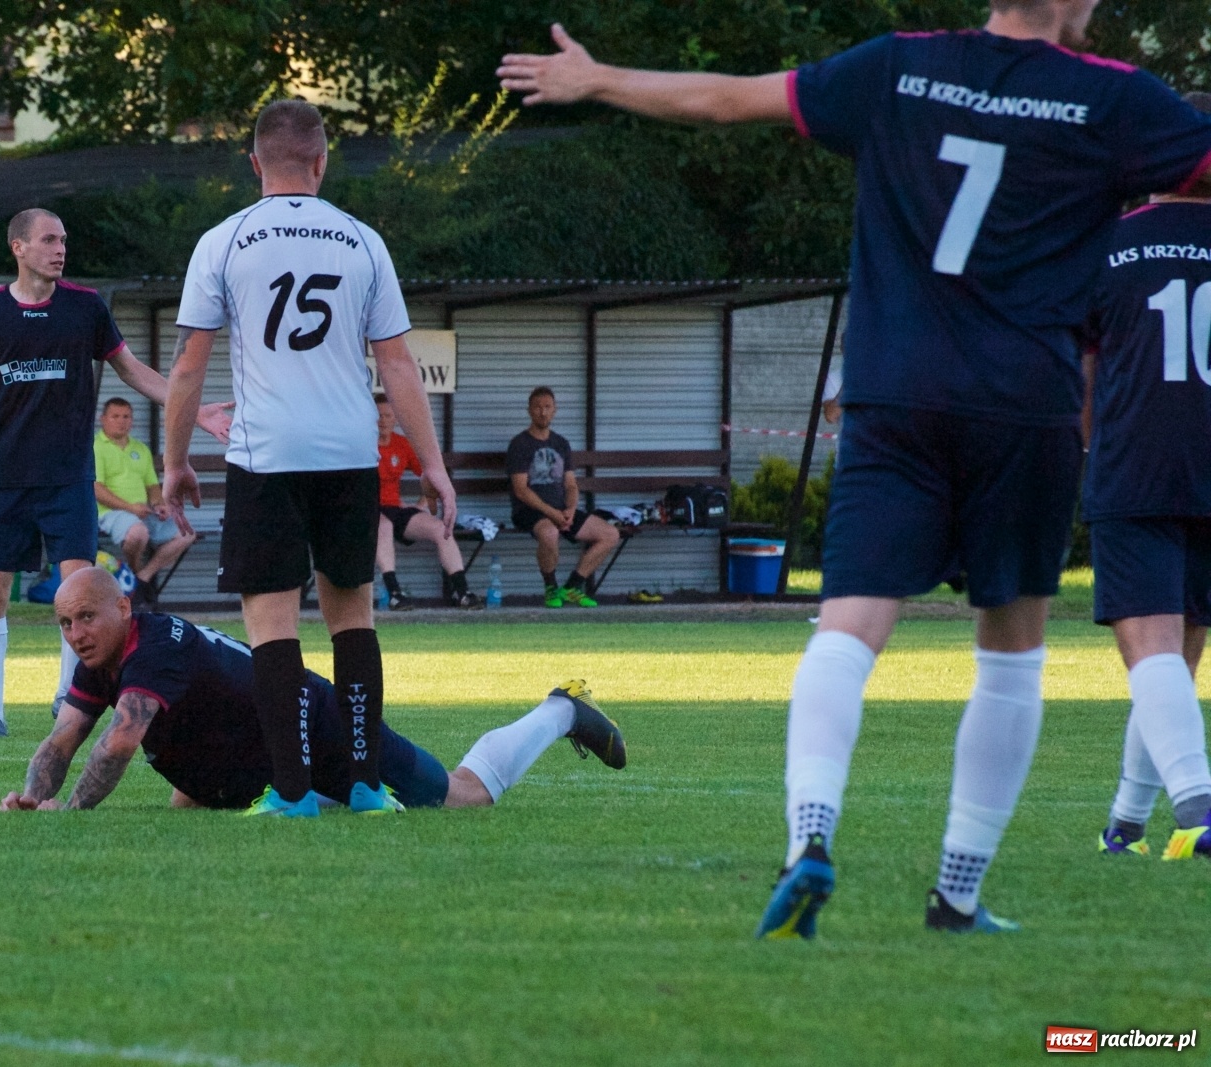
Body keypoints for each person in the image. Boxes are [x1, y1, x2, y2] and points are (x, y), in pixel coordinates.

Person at [498, 1, 1211, 935]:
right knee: (1010, 655)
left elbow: (726, 100)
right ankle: (957, 892)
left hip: (894, 394)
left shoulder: (895, 68)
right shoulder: (1114, 98)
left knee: (847, 629)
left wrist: (598, 80)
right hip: (1023, 404)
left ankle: (810, 835)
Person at [163, 99, 456, 816]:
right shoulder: (362, 242)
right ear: (322, 162)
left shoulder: (225, 241)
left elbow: (187, 370)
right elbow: (398, 366)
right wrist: (433, 464)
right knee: (354, 616)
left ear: (255, 162)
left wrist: (174, 461)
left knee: (271, 622)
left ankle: (292, 792)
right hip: (350, 453)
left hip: (267, 454)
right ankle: (363, 784)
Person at [0, 208, 232, 738]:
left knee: (78, 592)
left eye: (64, 240)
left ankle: (67, 696)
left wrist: (192, 409)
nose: (60, 249)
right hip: (8, 480)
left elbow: (133, 370)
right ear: (18, 247)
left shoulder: (85, 308)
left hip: (68, 480)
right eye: (49, 240)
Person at [0, 568, 625, 814]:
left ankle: (561, 710)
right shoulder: (100, 653)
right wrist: (30, 797)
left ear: (124, 608)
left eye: (85, 618)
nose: (75, 634)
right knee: (190, 809)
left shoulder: (154, 648)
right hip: (245, 756)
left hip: (317, 723)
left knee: (463, 797)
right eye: (64, 623)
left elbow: (116, 745)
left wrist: (70, 815)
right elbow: (64, 738)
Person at [1087, 92, 1211, 865]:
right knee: (1175, 655)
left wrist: (1087, 455)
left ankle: (1199, 809)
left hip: (1137, 463)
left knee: (1154, 650)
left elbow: (1083, 373)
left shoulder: (1109, 243)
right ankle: (1127, 825)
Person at [505, 386, 620, 609]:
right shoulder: (519, 444)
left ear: (555, 410)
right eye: (537, 407)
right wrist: (553, 514)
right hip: (529, 511)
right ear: (529, 410)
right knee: (549, 533)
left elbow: (570, 484)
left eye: (547, 407)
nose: (543, 412)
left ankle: (573, 586)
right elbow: (521, 490)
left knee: (610, 534)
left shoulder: (561, 443)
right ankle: (550, 587)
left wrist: (569, 509)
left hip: (560, 510)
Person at [374, 394, 480, 609]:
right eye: (378, 415)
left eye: (387, 415)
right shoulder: (362, 444)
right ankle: (395, 594)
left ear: (395, 419)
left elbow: (431, 476)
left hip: (396, 508)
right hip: (367, 510)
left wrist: (420, 505)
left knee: (440, 528)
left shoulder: (402, 444)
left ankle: (463, 593)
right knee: (383, 526)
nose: (383, 420)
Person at [94, 397, 195, 606]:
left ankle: (140, 578)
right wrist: (130, 507)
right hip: (110, 513)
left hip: (143, 512)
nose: (122, 421)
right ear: (102, 419)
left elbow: (152, 487)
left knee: (186, 533)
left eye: (126, 416)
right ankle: (134, 579)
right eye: (115, 416)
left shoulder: (140, 448)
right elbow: (96, 489)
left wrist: (160, 505)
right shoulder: (95, 447)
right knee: (138, 533)